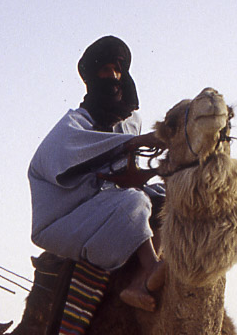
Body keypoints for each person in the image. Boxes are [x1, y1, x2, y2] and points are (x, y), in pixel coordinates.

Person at [28, 35, 166, 311]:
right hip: (64, 220)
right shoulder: (73, 126)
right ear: (92, 77)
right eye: (105, 71)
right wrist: (136, 143)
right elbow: (70, 160)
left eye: (118, 70)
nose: (113, 77)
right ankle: (152, 266)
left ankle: (138, 283)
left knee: (167, 195)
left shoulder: (131, 123)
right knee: (134, 201)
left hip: (107, 207)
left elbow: (123, 170)